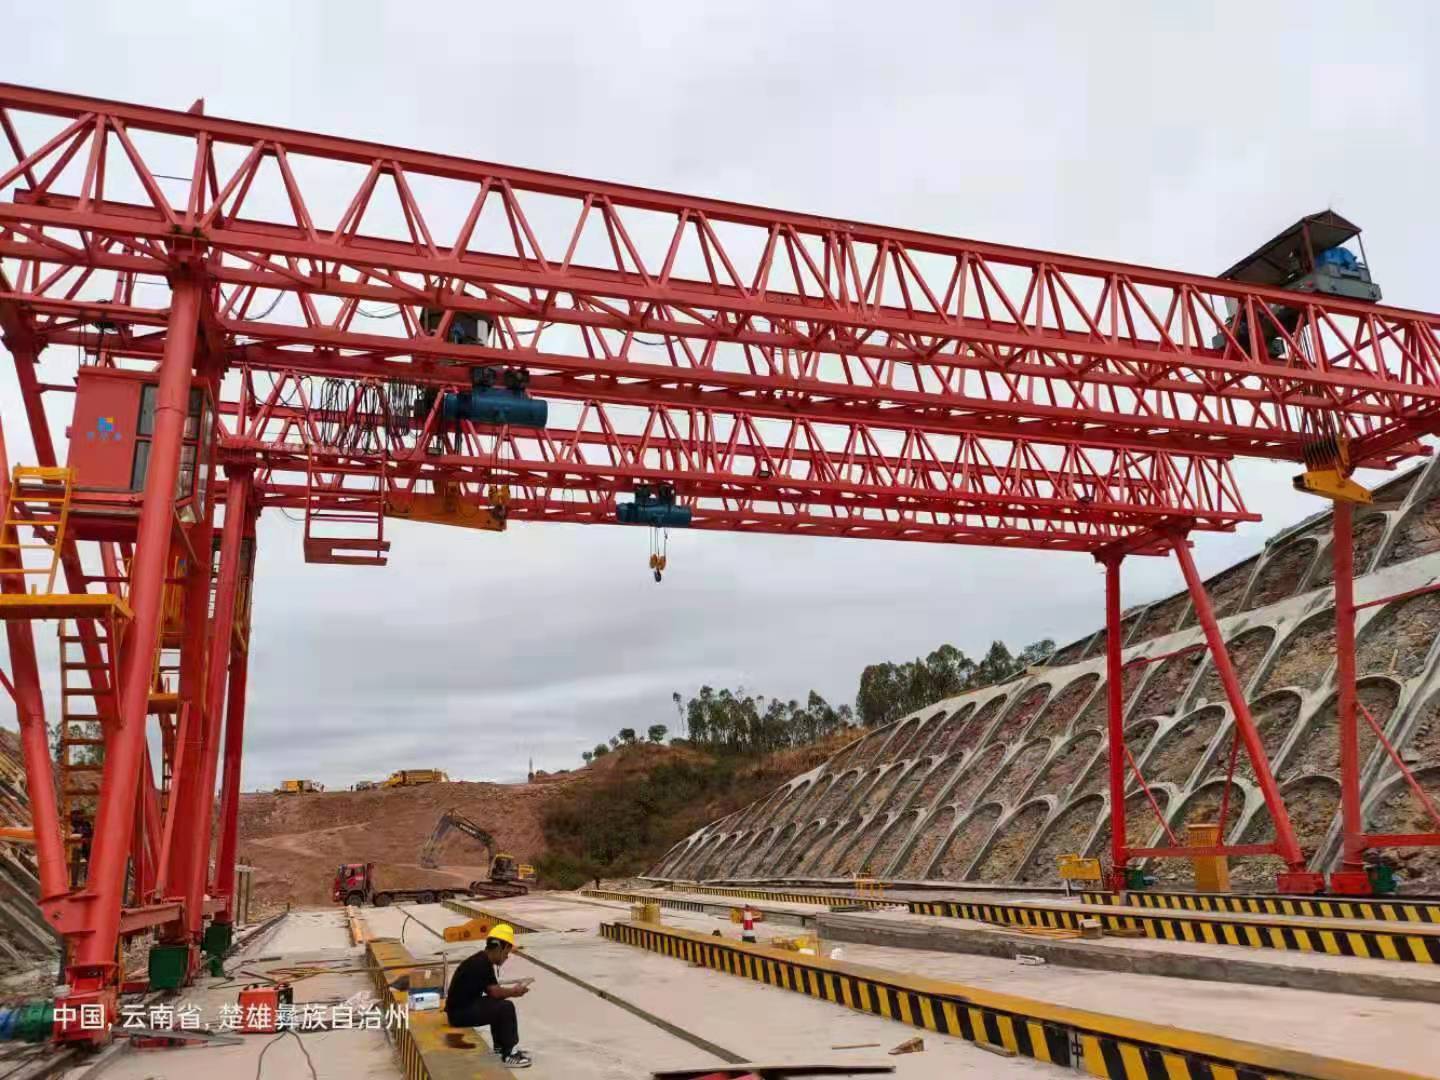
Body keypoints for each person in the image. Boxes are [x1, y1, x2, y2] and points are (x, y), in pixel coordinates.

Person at [444, 923, 531, 1068]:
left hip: (460, 1010)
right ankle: (508, 1054)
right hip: (459, 1015)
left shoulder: (482, 960)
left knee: (497, 1005)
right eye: (506, 953)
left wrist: (508, 992)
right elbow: (495, 992)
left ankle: (500, 1049)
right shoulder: (481, 963)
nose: (506, 957)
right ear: (499, 948)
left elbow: (493, 993)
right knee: (505, 1008)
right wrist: (514, 992)